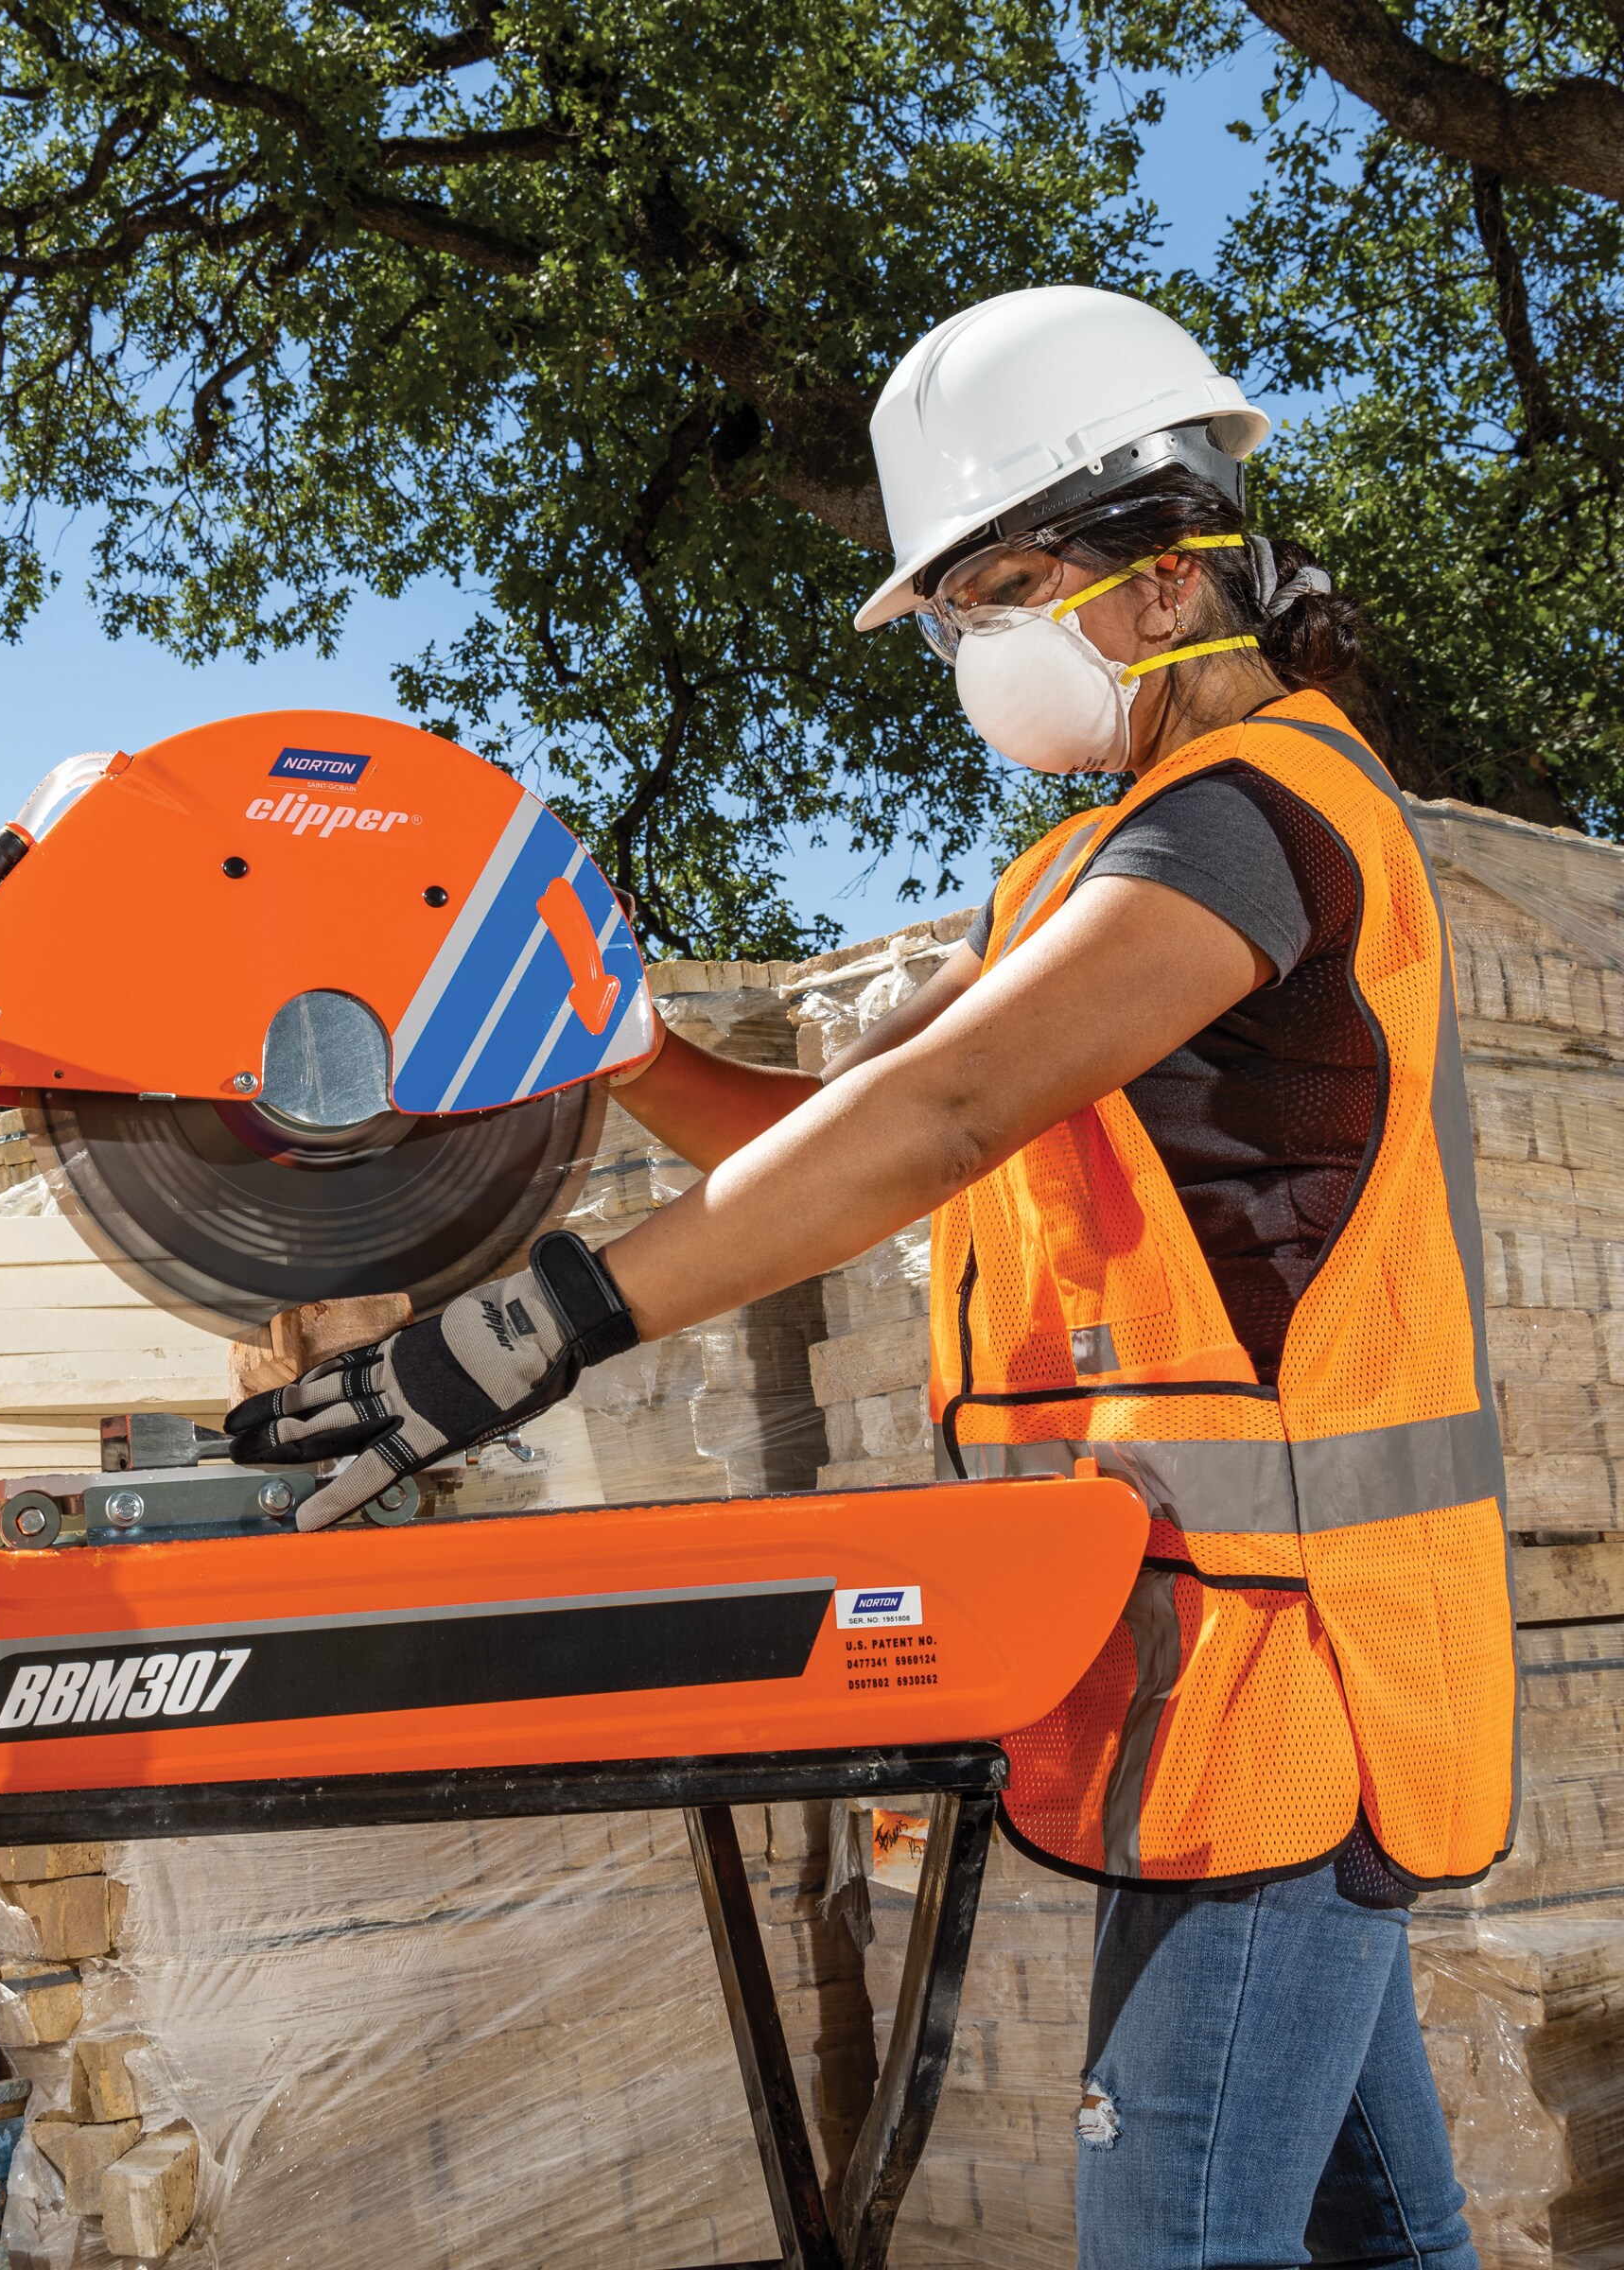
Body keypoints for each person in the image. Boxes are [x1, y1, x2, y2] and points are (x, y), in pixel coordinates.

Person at [227, 285, 1510, 2270]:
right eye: (955, 614)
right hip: (1201, 1645)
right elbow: (809, 1138)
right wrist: (614, 1032)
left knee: (1177, 2237)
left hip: (1291, 1670)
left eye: (1002, 590)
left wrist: (537, 1325)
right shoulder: (1097, 867)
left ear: (1171, 577)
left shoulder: (1254, 828)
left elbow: (939, 1119)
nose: (977, 650)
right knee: (1384, 2237)